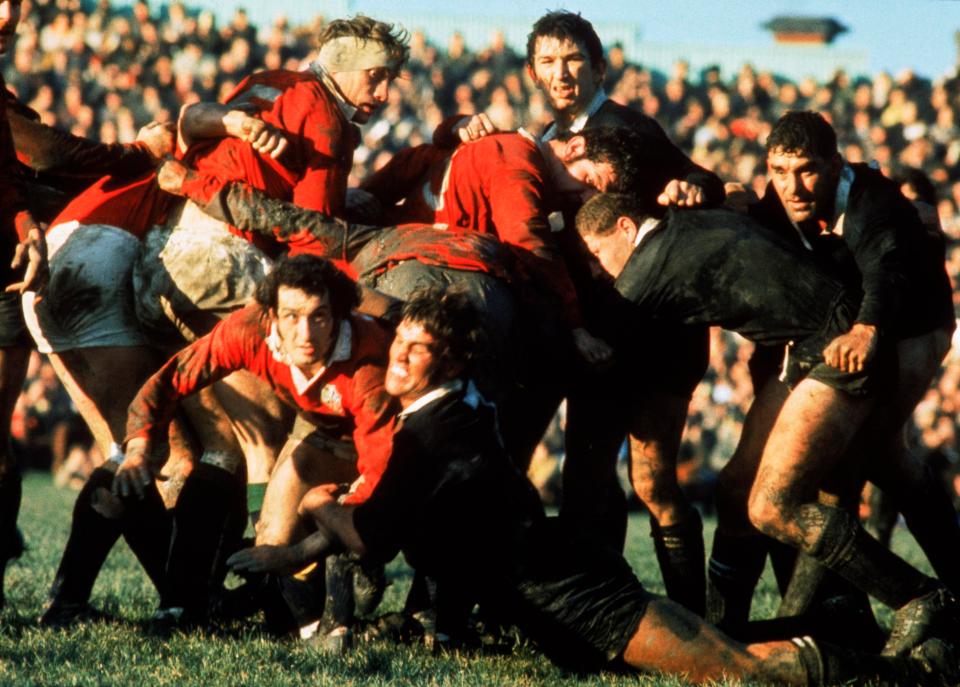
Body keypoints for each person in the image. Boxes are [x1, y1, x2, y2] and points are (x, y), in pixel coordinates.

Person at [226, 289, 954, 686]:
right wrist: (308, 540)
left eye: (422, 350)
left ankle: (908, 672)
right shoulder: (442, 414)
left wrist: (306, 525)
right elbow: (379, 522)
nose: (402, 359)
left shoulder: (433, 427)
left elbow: (370, 535)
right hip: (561, 575)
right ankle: (854, 636)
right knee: (724, 646)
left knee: (727, 671)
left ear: (448, 364)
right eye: (403, 345)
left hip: (568, 590)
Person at [576, 191, 960, 659]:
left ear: (624, 228)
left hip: (833, 344)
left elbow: (605, 343)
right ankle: (729, 632)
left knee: (772, 506)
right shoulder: (682, 224)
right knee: (737, 488)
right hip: (807, 345)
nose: (599, 266)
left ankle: (918, 597)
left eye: (597, 252)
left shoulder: (646, 267)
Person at [113, 255, 395, 625]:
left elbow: (384, 474)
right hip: (328, 435)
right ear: (272, 315)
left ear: (340, 314)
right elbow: (171, 380)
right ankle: (311, 625)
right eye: (292, 316)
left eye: (319, 316)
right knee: (272, 542)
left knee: (368, 532)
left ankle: (416, 602)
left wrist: (318, 543)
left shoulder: (368, 364)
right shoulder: (249, 330)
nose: (305, 335)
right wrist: (137, 449)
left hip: (404, 448)